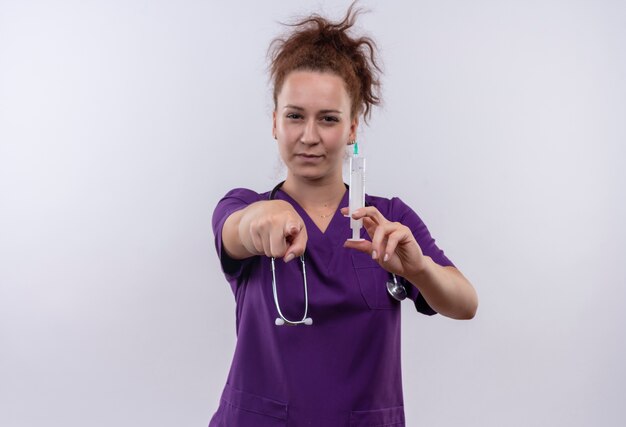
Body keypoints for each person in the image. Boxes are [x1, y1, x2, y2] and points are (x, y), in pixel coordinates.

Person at [209, 3, 478, 426]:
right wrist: (265, 218)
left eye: (328, 119)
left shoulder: (388, 219)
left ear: (353, 127)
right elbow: (237, 230)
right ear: (275, 122)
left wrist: (420, 270)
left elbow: (465, 304)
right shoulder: (242, 206)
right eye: (295, 116)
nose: (309, 136)